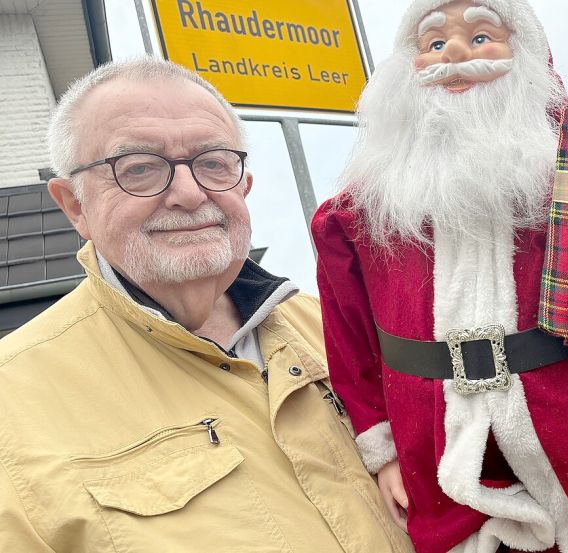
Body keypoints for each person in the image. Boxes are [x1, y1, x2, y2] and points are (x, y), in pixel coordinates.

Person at [312, 1, 568, 552]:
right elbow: (353, 350)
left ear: (529, 54)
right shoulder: (360, 215)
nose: (456, 55)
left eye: (483, 35)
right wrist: (384, 452)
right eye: (434, 43)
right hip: (445, 472)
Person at [0, 58, 412, 552]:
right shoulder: (15, 403)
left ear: (245, 186)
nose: (189, 194)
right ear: (74, 206)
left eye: (214, 162)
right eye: (139, 168)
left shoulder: (338, 329)